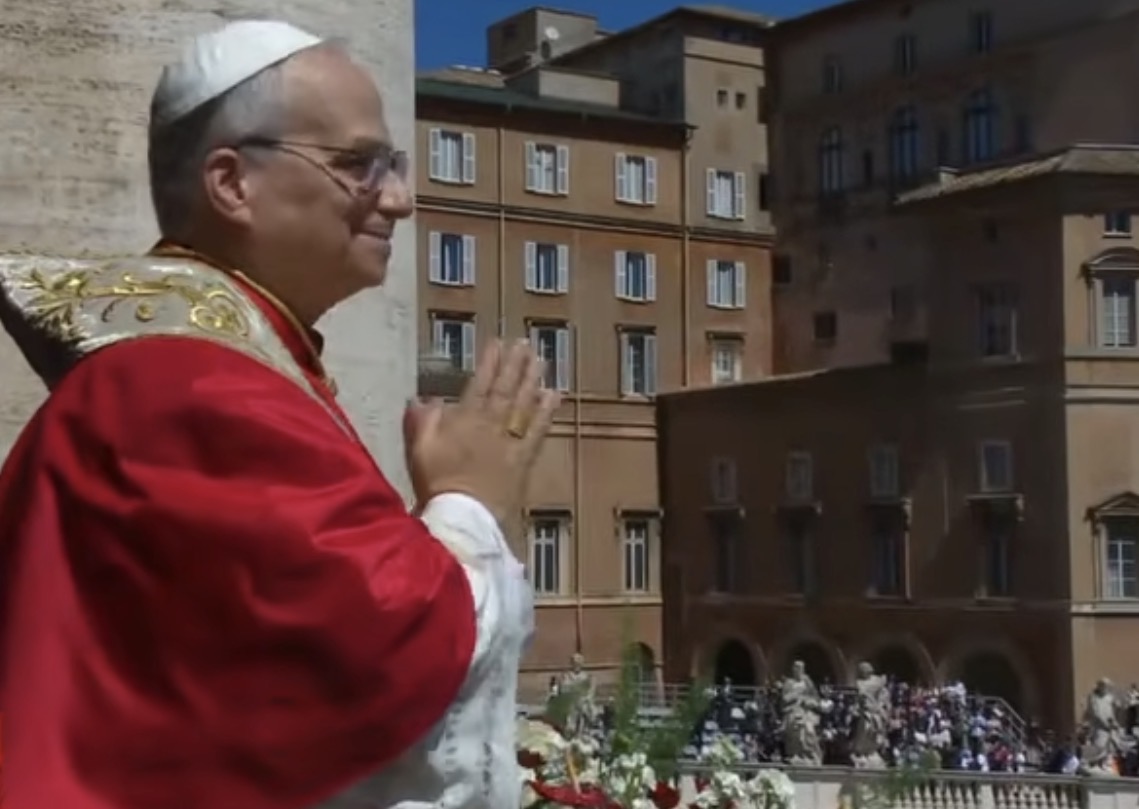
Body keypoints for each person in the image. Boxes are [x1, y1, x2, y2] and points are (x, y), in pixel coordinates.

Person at [0, 20, 557, 809]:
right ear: (233, 183)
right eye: (358, 165)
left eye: (393, 165)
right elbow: (386, 651)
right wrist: (470, 502)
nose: (399, 199)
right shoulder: (194, 391)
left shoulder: (204, 371)